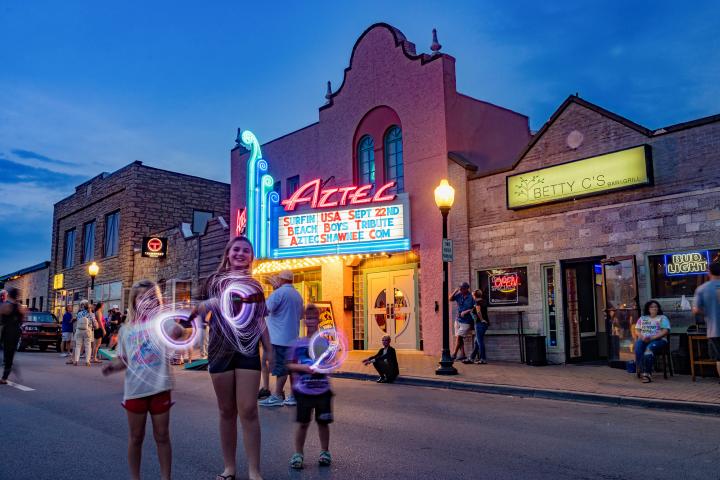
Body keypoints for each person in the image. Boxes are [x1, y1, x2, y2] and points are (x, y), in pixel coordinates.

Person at [195, 236, 271, 480]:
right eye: (236, 249)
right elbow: (199, 311)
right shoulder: (213, 281)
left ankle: (254, 471)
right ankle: (229, 468)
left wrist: (269, 349)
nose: (240, 253)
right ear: (227, 254)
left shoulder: (255, 286)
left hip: (248, 349)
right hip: (220, 350)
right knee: (227, 410)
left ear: (251, 257)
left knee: (248, 409)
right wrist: (209, 305)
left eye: (246, 250)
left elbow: (260, 319)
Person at [103, 280, 174, 480]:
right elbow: (123, 359)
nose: (148, 301)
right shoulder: (127, 329)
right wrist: (112, 366)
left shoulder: (163, 322)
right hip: (135, 391)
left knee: (162, 436)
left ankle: (165, 478)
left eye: (152, 297)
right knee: (136, 437)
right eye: (142, 297)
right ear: (134, 301)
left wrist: (181, 331)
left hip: (160, 388)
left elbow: (177, 332)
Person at [287, 304, 333, 469]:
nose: (311, 321)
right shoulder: (298, 344)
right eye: (308, 318)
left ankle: (325, 452)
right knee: (303, 423)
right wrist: (303, 368)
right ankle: (298, 454)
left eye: (314, 318)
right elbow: (290, 366)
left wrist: (324, 368)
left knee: (323, 423)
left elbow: (328, 366)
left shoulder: (324, 343)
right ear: (305, 321)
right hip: (304, 390)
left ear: (319, 320)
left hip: (322, 390)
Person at [259, 269, 303, 408]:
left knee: (282, 369)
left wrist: (273, 291)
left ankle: (277, 395)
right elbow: (301, 315)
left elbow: (264, 310)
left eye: (278, 278)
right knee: (292, 369)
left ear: (281, 280)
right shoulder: (297, 295)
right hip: (293, 337)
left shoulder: (278, 293)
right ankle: (294, 396)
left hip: (279, 338)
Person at [693, 261, 720, 380]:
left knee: (719, 358)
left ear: (709, 272)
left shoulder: (702, 289)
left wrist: (709, 311)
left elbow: (696, 310)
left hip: (715, 330)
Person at [634, 300, 671, 383]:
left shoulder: (662, 318)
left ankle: (647, 374)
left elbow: (665, 331)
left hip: (659, 340)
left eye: (655, 306)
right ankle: (642, 370)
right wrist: (642, 337)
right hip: (644, 339)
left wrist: (652, 338)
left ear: (658, 308)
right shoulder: (642, 318)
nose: (654, 308)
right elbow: (636, 330)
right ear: (648, 309)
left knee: (648, 350)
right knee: (638, 347)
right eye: (652, 307)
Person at [0, 288, 25, 384]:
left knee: (7, 354)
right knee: (10, 354)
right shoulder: (19, 306)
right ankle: (7, 374)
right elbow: (23, 317)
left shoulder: (7, 306)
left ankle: (5, 376)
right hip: (16, 331)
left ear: (9, 295)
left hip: (7, 331)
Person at [449, 282, 474, 361]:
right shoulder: (459, 295)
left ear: (467, 289)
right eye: (460, 288)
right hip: (458, 319)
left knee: (459, 337)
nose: (460, 290)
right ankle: (463, 354)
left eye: (462, 288)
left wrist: (466, 311)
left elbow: (475, 308)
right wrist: (455, 291)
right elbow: (450, 299)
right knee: (459, 338)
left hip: (466, 321)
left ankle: (454, 354)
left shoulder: (471, 297)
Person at [465, 289, 490, 365]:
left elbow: (478, 312)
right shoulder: (484, 301)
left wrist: (482, 319)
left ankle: (483, 359)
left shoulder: (477, 302)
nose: (472, 296)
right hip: (485, 324)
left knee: (480, 342)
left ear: (474, 295)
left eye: (473, 295)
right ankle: (471, 358)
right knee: (477, 342)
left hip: (479, 324)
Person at [73, 300, 96, 367]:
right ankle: (87, 361)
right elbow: (94, 323)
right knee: (88, 346)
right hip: (88, 330)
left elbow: (76, 320)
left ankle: (76, 360)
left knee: (78, 345)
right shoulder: (91, 314)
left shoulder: (79, 313)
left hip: (79, 330)